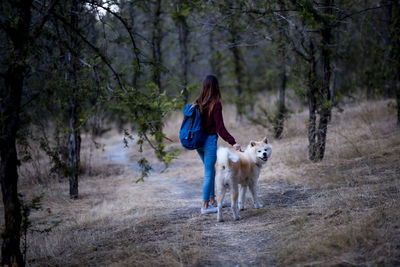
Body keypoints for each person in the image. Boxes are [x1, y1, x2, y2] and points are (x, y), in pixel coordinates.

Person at [194, 74, 241, 214]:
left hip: (198, 143)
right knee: (209, 173)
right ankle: (205, 206)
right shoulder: (216, 103)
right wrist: (233, 142)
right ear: (216, 87)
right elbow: (220, 128)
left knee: (212, 171)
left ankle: (213, 200)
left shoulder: (197, 102)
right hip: (209, 142)